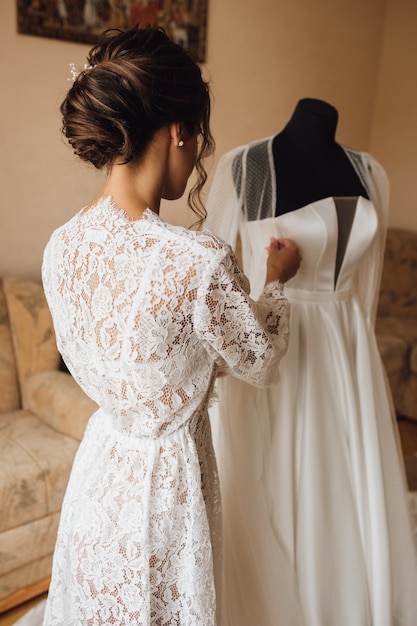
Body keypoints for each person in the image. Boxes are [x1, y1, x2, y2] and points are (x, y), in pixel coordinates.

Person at [39, 26, 301, 626]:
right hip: (166, 490)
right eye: (200, 136)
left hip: (100, 473)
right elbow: (259, 360)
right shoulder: (196, 261)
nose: (201, 152)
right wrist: (277, 283)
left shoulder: (62, 248)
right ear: (180, 130)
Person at [205, 97, 417, 626]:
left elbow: (364, 282)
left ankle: (346, 593)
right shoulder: (246, 168)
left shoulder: (371, 172)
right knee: (277, 472)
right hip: (281, 338)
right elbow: (213, 283)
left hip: (348, 343)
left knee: (348, 476)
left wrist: (359, 345)